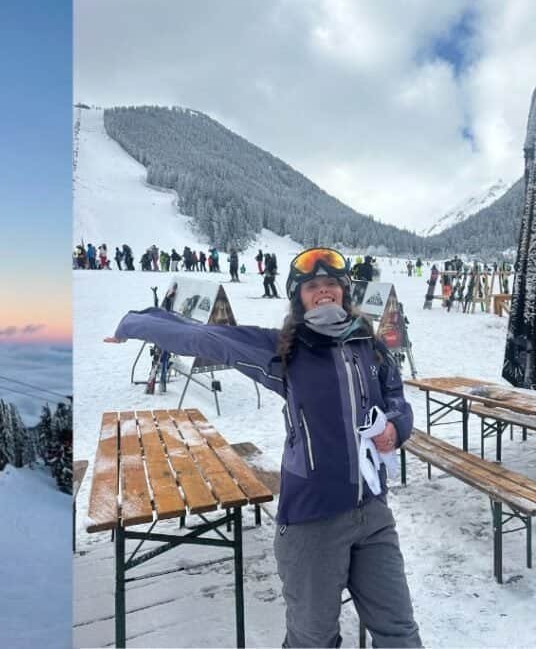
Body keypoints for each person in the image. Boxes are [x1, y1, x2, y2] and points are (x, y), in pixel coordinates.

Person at [105, 247, 421, 648]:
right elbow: (206, 337)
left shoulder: (371, 347)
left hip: (374, 514)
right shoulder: (285, 350)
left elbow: (397, 400)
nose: (323, 292)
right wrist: (135, 323)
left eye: (330, 285)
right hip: (313, 521)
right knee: (313, 641)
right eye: (312, 287)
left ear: (344, 290)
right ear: (298, 297)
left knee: (401, 634)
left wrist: (395, 428)